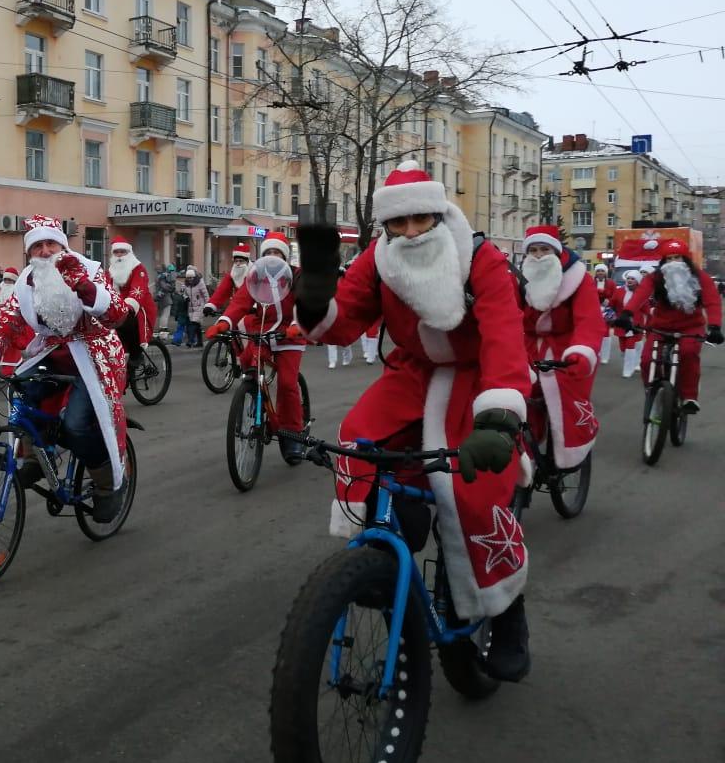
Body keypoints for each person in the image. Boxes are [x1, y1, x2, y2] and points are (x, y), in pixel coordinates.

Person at [291, 160, 532, 682]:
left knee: (471, 492)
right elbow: (344, 321)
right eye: (397, 224)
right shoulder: (380, 260)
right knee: (358, 441)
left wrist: (499, 417)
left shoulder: (479, 257)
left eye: (420, 219)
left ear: (438, 213)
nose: (410, 232)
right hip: (413, 375)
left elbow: (504, 335)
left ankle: (506, 609)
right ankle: (382, 553)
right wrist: (313, 296)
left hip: (475, 378)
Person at [0, 215, 131, 523]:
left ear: (63, 246)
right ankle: (39, 455)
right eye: (37, 245)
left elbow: (117, 315)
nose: (45, 251)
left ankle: (108, 486)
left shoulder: (89, 270)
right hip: (54, 352)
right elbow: (5, 323)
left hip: (96, 357)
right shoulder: (27, 282)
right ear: (29, 252)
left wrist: (86, 289)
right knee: (20, 390)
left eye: (51, 243)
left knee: (77, 425)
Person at [205, 232, 310, 464]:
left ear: (285, 255)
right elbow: (240, 302)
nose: (273, 257)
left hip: (289, 335)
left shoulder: (297, 276)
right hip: (262, 332)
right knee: (247, 362)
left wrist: (296, 325)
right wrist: (224, 322)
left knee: (286, 383)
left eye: (277, 253)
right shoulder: (256, 276)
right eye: (268, 253)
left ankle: (293, 433)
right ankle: (255, 397)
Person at [518, 226, 605, 470]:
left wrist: (581, 351)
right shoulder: (518, 279)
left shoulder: (579, 279)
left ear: (557, 251)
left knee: (566, 394)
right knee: (516, 395)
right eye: (533, 250)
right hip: (527, 345)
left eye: (544, 249)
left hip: (566, 347)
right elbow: (505, 315)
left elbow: (589, 320)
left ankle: (570, 452)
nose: (538, 256)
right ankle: (525, 455)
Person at [615, 238, 724, 412]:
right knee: (647, 360)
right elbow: (640, 295)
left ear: (685, 259)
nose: (674, 263)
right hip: (660, 327)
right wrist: (627, 313)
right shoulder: (656, 277)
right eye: (669, 258)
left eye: (677, 258)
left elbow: (712, 301)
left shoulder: (699, 276)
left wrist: (715, 327)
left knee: (688, 354)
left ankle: (689, 397)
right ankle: (653, 390)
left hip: (690, 327)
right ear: (663, 262)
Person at [107, 238, 158, 360]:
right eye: (116, 252)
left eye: (122, 251)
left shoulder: (138, 268)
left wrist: (128, 306)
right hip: (118, 307)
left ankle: (136, 354)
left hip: (140, 307)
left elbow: (138, 289)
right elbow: (105, 289)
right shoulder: (110, 271)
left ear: (129, 252)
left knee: (128, 324)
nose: (119, 255)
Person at [613, 270, 645, 378]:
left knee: (630, 346)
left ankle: (628, 370)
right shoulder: (619, 291)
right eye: (629, 278)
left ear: (637, 281)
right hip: (622, 324)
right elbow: (612, 304)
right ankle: (634, 360)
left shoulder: (641, 293)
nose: (630, 280)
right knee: (623, 349)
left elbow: (647, 309)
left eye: (633, 279)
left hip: (635, 325)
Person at [204, 244, 251, 317]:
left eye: (241, 261)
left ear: (247, 261)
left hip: (252, 309)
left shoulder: (254, 274)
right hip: (237, 307)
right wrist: (211, 305)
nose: (238, 264)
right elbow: (222, 290)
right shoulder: (232, 274)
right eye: (236, 261)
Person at [592, 264, 617, 364]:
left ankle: (605, 356)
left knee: (605, 333)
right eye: (598, 271)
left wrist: (609, 300)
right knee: (594, 333)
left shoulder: (611, 283)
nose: (600, 273)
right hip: (593, 310)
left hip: (606, 310)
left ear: (605, 272)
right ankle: (596, 353)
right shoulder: (591, 282)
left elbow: (615, 295)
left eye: (602, 271)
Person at [182, 266, 209, 347]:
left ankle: (190, 341)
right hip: (191, 307)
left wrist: (208, 306)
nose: (189, 280)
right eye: (188, 278)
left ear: (194, 277)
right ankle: (200, 342)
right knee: (197, 326)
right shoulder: (186, 285)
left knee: (193, 323)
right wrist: (185, 297)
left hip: (200, 306)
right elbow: (184, 294)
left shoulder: (200, 283)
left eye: (191, 278)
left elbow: (205, 295)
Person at [154, 263, 177, 333]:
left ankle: (162, 326)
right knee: (166, 314)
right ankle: (163, 328)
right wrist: (171, 288)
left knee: (163, 314)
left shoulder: (158, 276)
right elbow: (164, 286)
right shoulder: (163, 277)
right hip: (165, 297)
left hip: (160, 297)